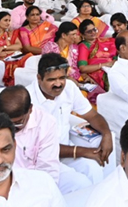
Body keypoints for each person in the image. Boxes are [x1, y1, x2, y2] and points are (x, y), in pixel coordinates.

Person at [27, 53, 114, 189]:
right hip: (41, 160)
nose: (58, 84)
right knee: (80, 183)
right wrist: (83, 151)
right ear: (39, 78)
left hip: (65, 150)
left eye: (62, 78)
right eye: (51, 80)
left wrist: (107, 134)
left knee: (95, 169)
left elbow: (92, 116)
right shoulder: (28, 101)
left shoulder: (69, 88)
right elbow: (39, 148)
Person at [0, 11, 30, 86]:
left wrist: (3, 48)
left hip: (15, 57)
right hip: (4, 60)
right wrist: (11, 50)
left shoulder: (10, 33)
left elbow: (19, 46)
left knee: (30, 58)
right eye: (5, 20)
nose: (8, 23)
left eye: (9, 20)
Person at [77, 19, 116, 90]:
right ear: (82, 35)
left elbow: (118, 52)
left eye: (94, 29)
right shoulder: (84, 46)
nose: (93, 32)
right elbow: (83, 68)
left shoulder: (105, 41)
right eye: (89, 31)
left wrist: (115, 60)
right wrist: (105, 65)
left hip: (114, 66)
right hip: (98, 73)